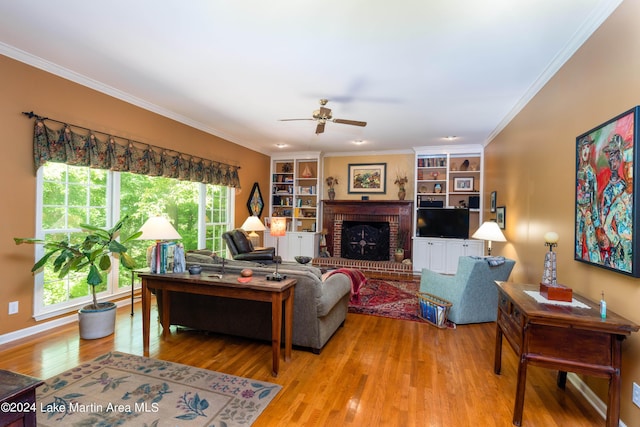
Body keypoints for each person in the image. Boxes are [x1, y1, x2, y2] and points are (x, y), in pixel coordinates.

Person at [575, 135, 600, 262]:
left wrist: (596, 223)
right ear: (579, 151)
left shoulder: (591, 173)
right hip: (578, 214)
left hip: (588, 213)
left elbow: (594, 198)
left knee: (592, 245)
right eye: (583, 148)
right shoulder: (576, 172)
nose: (586, 151)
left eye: (588, 147)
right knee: (577, 243)